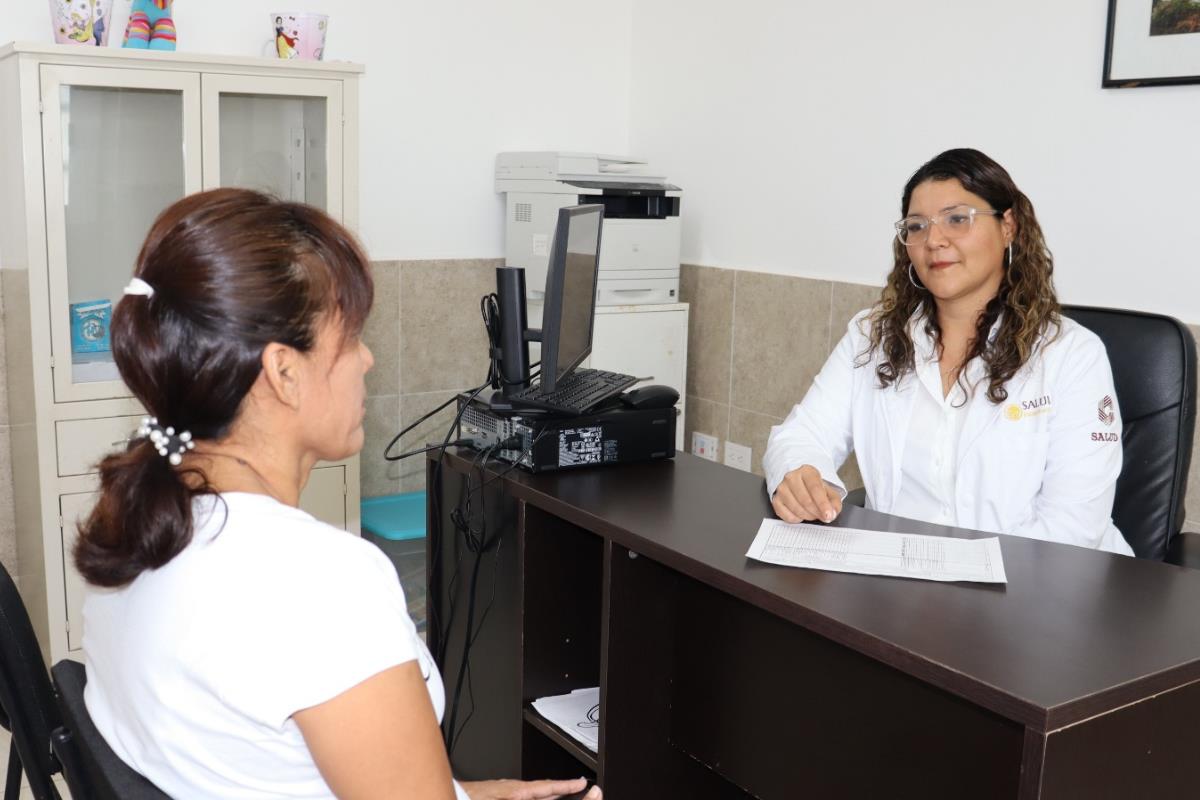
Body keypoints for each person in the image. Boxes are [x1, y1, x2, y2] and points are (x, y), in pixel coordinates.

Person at [75, 188, 603, 799]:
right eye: (351, 338)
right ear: (284, 373)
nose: (368, 360)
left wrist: (469, 795)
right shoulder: (320, 583)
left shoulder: (137, 522)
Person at [763, 148, 1132, 556]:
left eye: (958, 219)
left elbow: (1072, 528)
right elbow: (801, 434)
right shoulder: (873, 336)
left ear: (1008, 226)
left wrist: (970, 580)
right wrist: (800, 473)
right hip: (897, 585)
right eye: (917, 226)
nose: (934, 240)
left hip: (1032, 593)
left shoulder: (1070, 355)